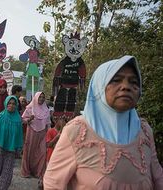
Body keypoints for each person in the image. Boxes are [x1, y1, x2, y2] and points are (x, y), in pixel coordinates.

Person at [44, 55, 163, 189]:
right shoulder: (77, 131)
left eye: (134, 82)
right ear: (99, 86)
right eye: (116, 80)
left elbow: (158, 177)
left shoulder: (144, 132)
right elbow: (53, 183)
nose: (126, 87)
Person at [0, 96, 23, 190]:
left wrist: (19, 149)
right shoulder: (0, 117)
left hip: (11, 150)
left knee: (7, 172)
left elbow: (19, 136)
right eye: (9, 103)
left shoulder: (18, 120)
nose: (11, 105)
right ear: (6, 104)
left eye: (14, 104)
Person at [21, 92, 51, 188]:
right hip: (32, 133)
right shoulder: (30, 108)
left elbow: (48, 123)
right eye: (40, 97)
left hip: (43, 133)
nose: (41, 99)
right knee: (30, 151)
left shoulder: (46, 110)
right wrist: (29, 119)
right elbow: (23, 120)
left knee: (42, 152)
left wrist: (49, 134)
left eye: (43, 97)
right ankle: (27, 171)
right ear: (36, 98)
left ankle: (39, 172)